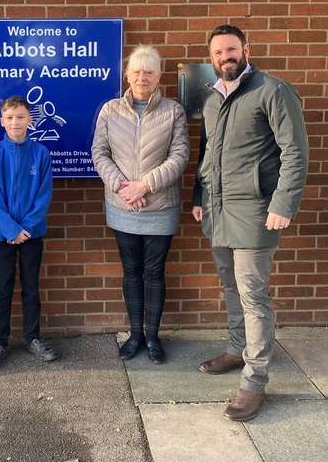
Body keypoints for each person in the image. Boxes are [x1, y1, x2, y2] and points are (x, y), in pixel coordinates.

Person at [192, 24, 308, 422]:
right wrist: (197, 197)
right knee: (229, 285)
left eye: (231, 49)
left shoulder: (272, 91)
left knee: (253, 295)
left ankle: (254, 380)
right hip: (218, 211)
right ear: (211, 59)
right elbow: (207, 154)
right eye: (218, 52)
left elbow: (295, 152)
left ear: (246, 50)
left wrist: (283, 204)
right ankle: (237, 347)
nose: (225, 56)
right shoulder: (211, 100)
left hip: (258, 213)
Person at [92, 45, 190, 364]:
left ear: (159, 75)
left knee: (154, 272)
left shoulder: (173, 111)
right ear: (127, 75)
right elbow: (100, 153)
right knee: (131, 271)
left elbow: (180, 156)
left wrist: (145, 185)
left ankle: (152, 337)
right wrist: (123, 187)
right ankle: (135, 334)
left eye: (149, 71)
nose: (142, 77)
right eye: (136, 71)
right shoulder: (110, 110)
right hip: (122, 205)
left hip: (160, 205)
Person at [0, 95, 56, 371]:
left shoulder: (41, 154)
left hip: (32, 235)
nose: (15, 122)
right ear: (2, 121)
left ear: (30, 120)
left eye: (21, 117)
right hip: (1, 236)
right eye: (10, 118)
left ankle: (33, 337)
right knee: (3, 289)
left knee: (31, 288)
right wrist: (10, 229)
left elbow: (43, 194)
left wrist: (26, 229)